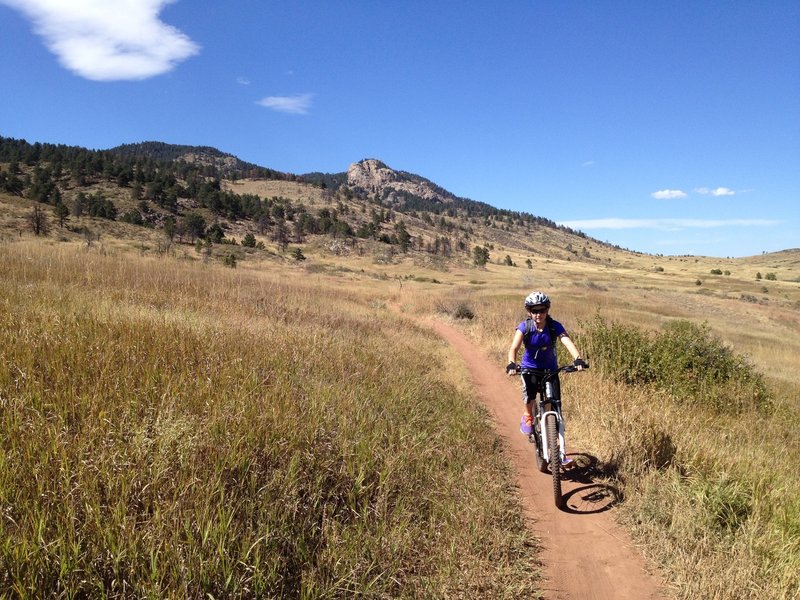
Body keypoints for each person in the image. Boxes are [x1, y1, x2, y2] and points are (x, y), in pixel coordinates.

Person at [506, 291, 587, 450]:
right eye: (534, 311)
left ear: (547, 310)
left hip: (550, 369)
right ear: (529, 311)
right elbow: (514, 348)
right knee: (529, 394)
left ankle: (551, 428)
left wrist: (578, 358)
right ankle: (528, 416)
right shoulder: (525, 327)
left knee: (555, 401)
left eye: (542, 310)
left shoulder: (554, 326)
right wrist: (511, 363)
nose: (538, 314)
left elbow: (566, 341)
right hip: (530, 368)